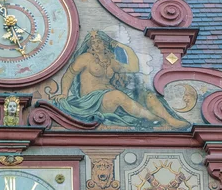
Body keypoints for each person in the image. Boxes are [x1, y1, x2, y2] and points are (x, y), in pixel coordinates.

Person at [51, 31, 188, 129]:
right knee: (117, 95)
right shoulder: (86, 58)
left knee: (147, 94)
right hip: (91, 102)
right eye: (93, 42)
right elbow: (69, 74)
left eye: (99, 41)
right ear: (89, 46)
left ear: (105, 43)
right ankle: (155, 119)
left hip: (111, 98)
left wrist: (122, 46)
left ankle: (170, 120)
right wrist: (64, 93)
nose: (96, 44)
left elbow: (133, 67)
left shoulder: (111, 61)